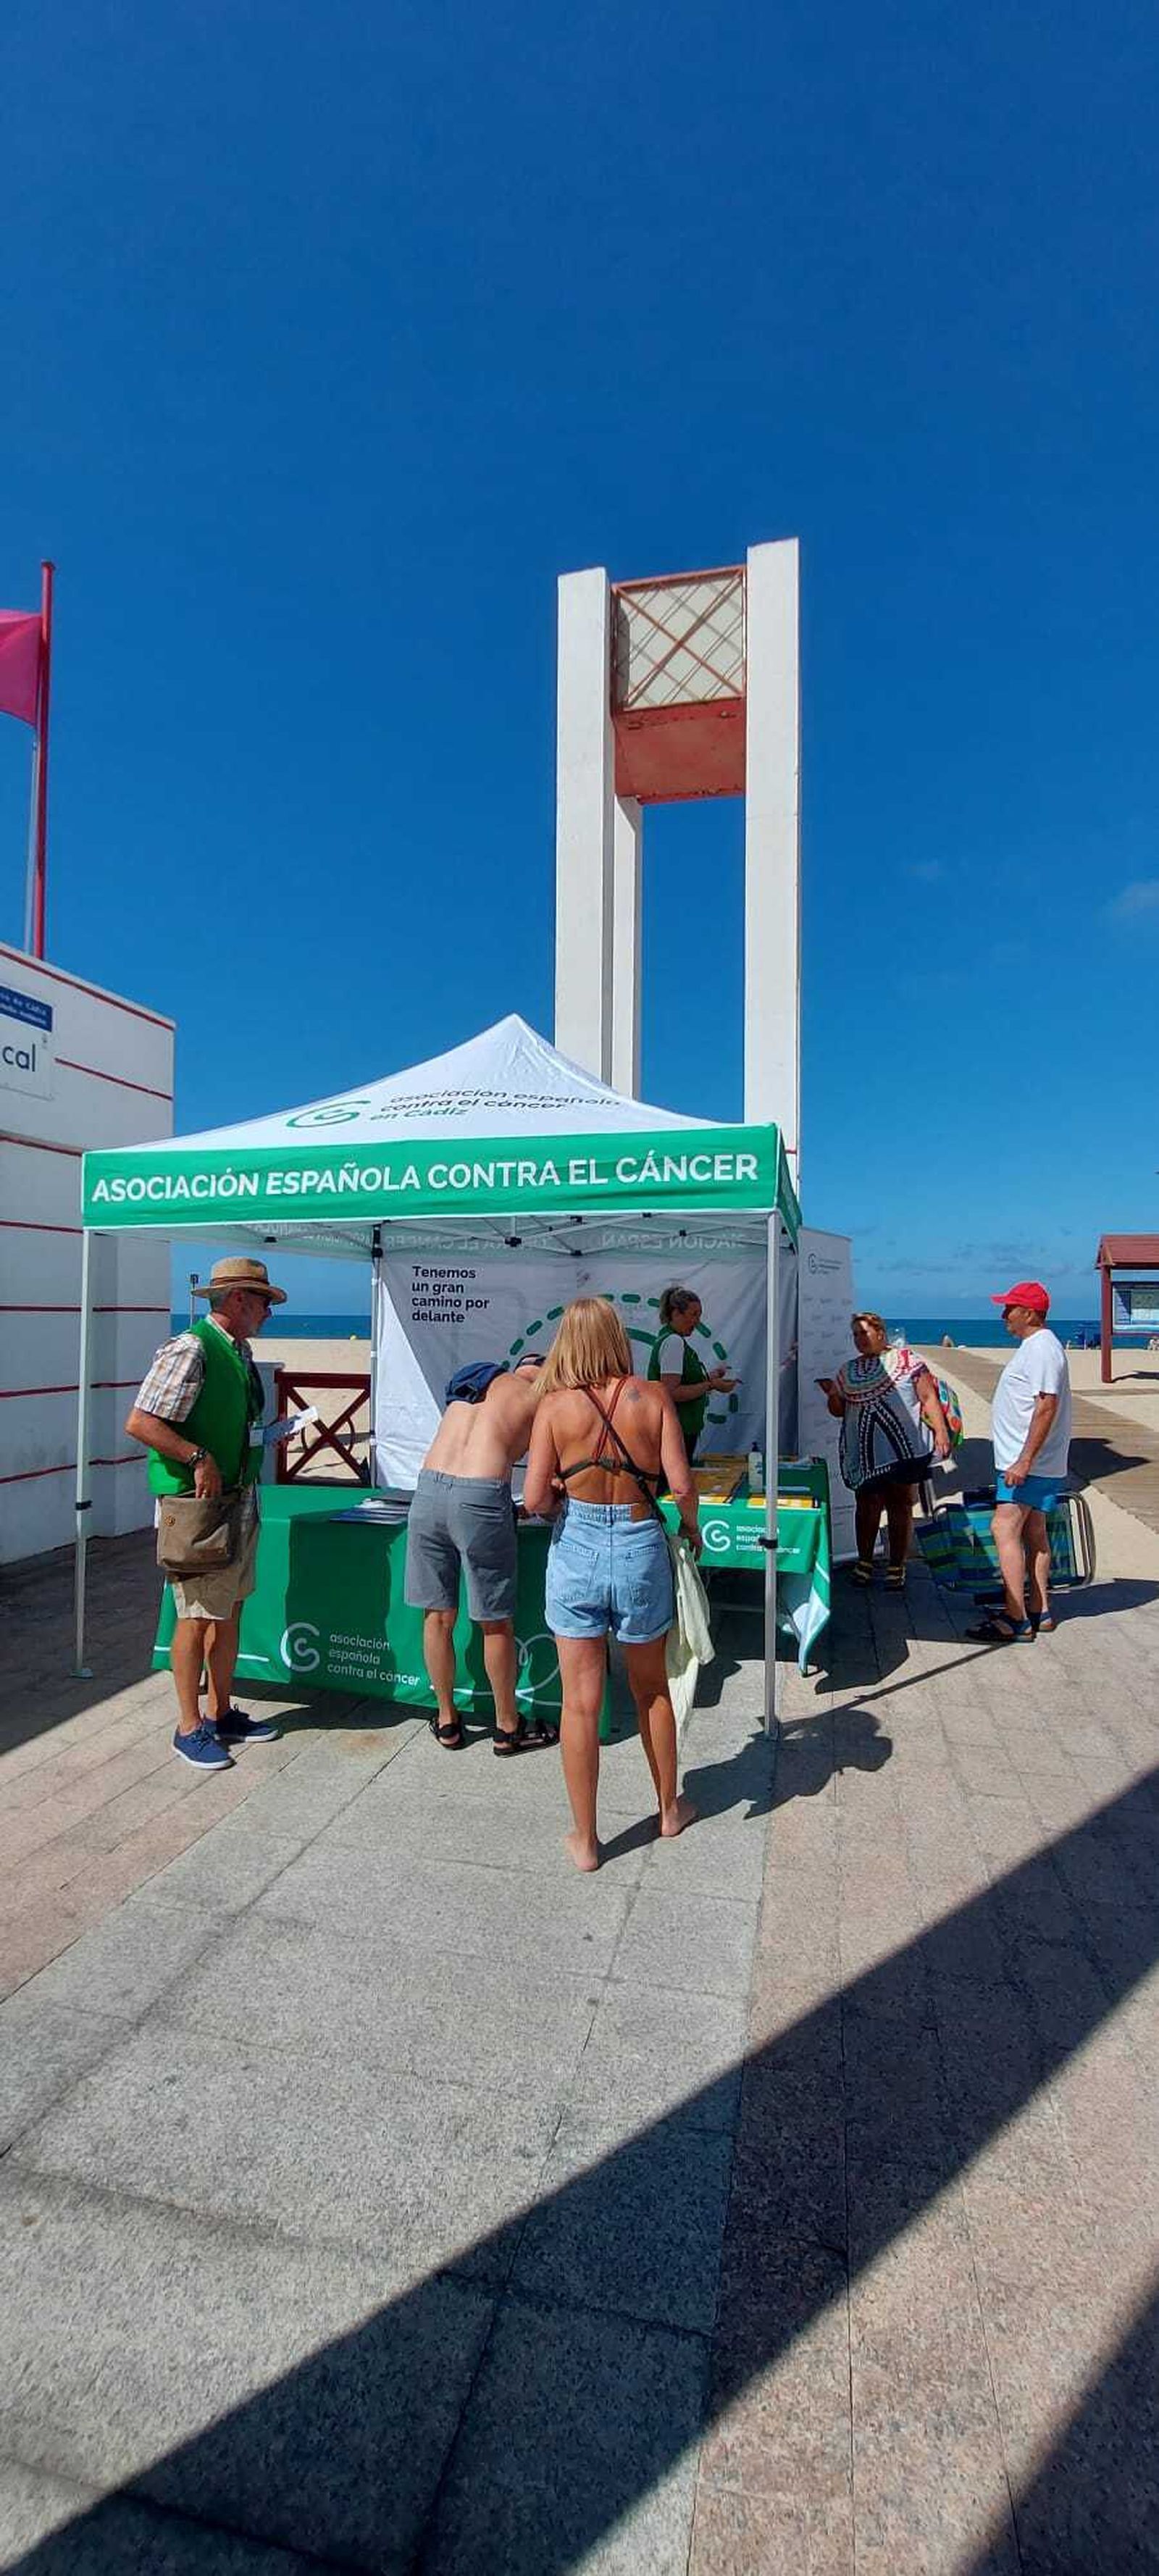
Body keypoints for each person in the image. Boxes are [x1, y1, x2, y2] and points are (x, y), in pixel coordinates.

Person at [524, 1297, 699, 1872]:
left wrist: (558, 1486)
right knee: (651, 1687)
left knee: (580, 1702)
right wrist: (692, 1529)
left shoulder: (555, 1405)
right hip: (640, 1538)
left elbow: (534, 1501)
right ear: (617, 1337)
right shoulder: (651, 1397)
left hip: (576, 1543)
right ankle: (669, 1810)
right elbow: (681, 1483)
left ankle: (587, 1840)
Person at [125, 1256, 285, 1770]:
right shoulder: (192, 1348)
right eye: (263, 1301)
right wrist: (198, 1457)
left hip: (234, 1501)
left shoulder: (235, 1350)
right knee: (194, 1617)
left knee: (228, 1609)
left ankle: (220, 1712)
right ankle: (188, 1725)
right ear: (238, 1299)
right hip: (198, 1509)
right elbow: (142, 1422)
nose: (268, 1312)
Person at [404, 1355, 546, 1752]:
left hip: (428, 1489)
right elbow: (545, 1485)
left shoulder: (476, 1377)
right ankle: (507, 1727)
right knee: (494, 1621)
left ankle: (447, 1719)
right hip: (480, 1495)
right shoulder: (539, 1398)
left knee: (437, 1616)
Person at [967, 1280, 1072, 1644]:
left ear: (1029, 1313)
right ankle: (1039, 1610)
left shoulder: (1041, 1349)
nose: (1003, 1315)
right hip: (1036, 1461)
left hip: (1026, 1462)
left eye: (1009, 1308)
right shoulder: (1040, 1347)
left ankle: (1015, 1618)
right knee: (1035, 1532)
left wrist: (1024, 1460)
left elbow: (1046, 1405)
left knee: (1003, 1529)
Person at [819, 1311, 950, 1589]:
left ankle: (896, 1565)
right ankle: (865, 1562)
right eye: (855, 1334)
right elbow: (838, 1411)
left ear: (880, 1333)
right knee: (866, 1505)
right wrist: (833, 1395)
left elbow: (928, 1397)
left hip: (903, 1449)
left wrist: (940, 1432)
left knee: (900, 1504)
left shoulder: (908, 1360)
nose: (860, 1339)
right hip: (864, 1452)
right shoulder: (848, 1371)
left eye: (864, 1333)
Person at [648, 1284, 737, 1463]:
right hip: (677, 1430)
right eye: (693, 1315)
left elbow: (680, 1383)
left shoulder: (670, 1339)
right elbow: (671, 1392)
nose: (697, 1321)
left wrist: (709, 1377)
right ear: (676, 1314)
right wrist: (710, 1385)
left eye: (700, 1315)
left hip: (676, 1429)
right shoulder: (674, 1342)